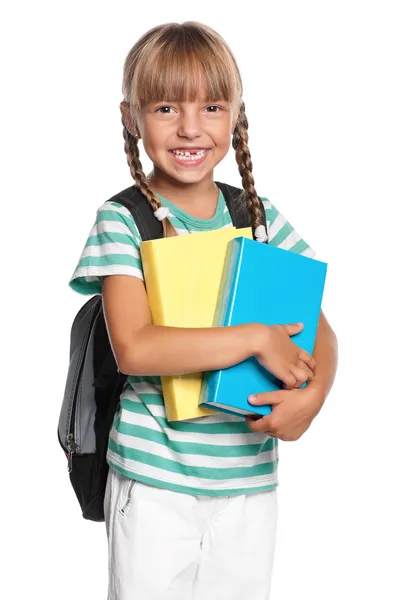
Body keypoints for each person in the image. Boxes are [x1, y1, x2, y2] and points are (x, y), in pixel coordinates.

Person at [68, 20, 338, 600]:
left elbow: (317, 324)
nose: (191, 127)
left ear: (237, 115)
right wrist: (254, 339)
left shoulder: (258, 218)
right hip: (155, 483)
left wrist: (313, 397)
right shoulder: (124, 221)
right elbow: (136, 347)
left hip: (249, 486)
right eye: (166, 108)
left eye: (212, 106)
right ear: (132, 118)